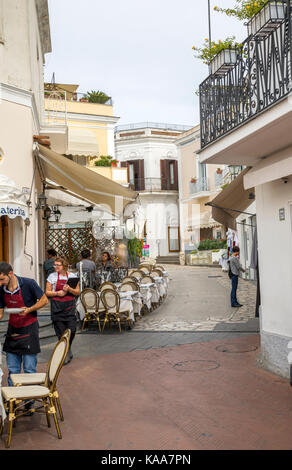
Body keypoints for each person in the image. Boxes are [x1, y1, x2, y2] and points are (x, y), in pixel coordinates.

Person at [0, 262, 48, 399]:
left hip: (29, 328)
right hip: (12, 329)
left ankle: (29, 402)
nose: (0, 283)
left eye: (2, 279)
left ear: (10, 273)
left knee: (29, 369)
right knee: (13, 370)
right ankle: (13, 400)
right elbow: (1, 313)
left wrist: (29, 309)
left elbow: (44, 300)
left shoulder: (29, 283)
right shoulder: (1, 289)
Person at [46, 257, 80, 365]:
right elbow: (47, 292)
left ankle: (67, 348)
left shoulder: (72, 276)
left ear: (64, 266)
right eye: (54, 265)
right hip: (56, 307)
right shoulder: (51, 276)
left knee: (72, 330)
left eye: (57, 265)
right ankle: (65, 353)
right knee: (61, 333)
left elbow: (77, 292)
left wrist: (69, 289)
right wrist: (57, 293)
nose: (55, 267)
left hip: (69, 306)